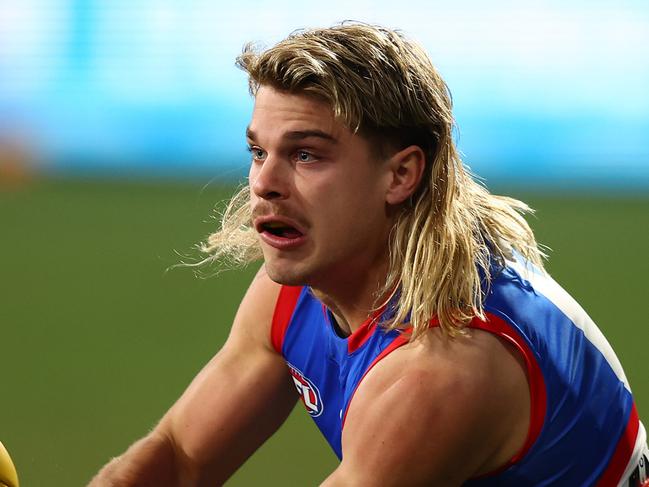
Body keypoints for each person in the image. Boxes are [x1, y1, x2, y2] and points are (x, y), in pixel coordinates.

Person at [89, 23, 648, 486]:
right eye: (259, 151)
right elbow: (179, 459)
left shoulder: (441, 370)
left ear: (401, 174)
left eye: (306, 155)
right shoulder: (303, 285)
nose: (265, 183)